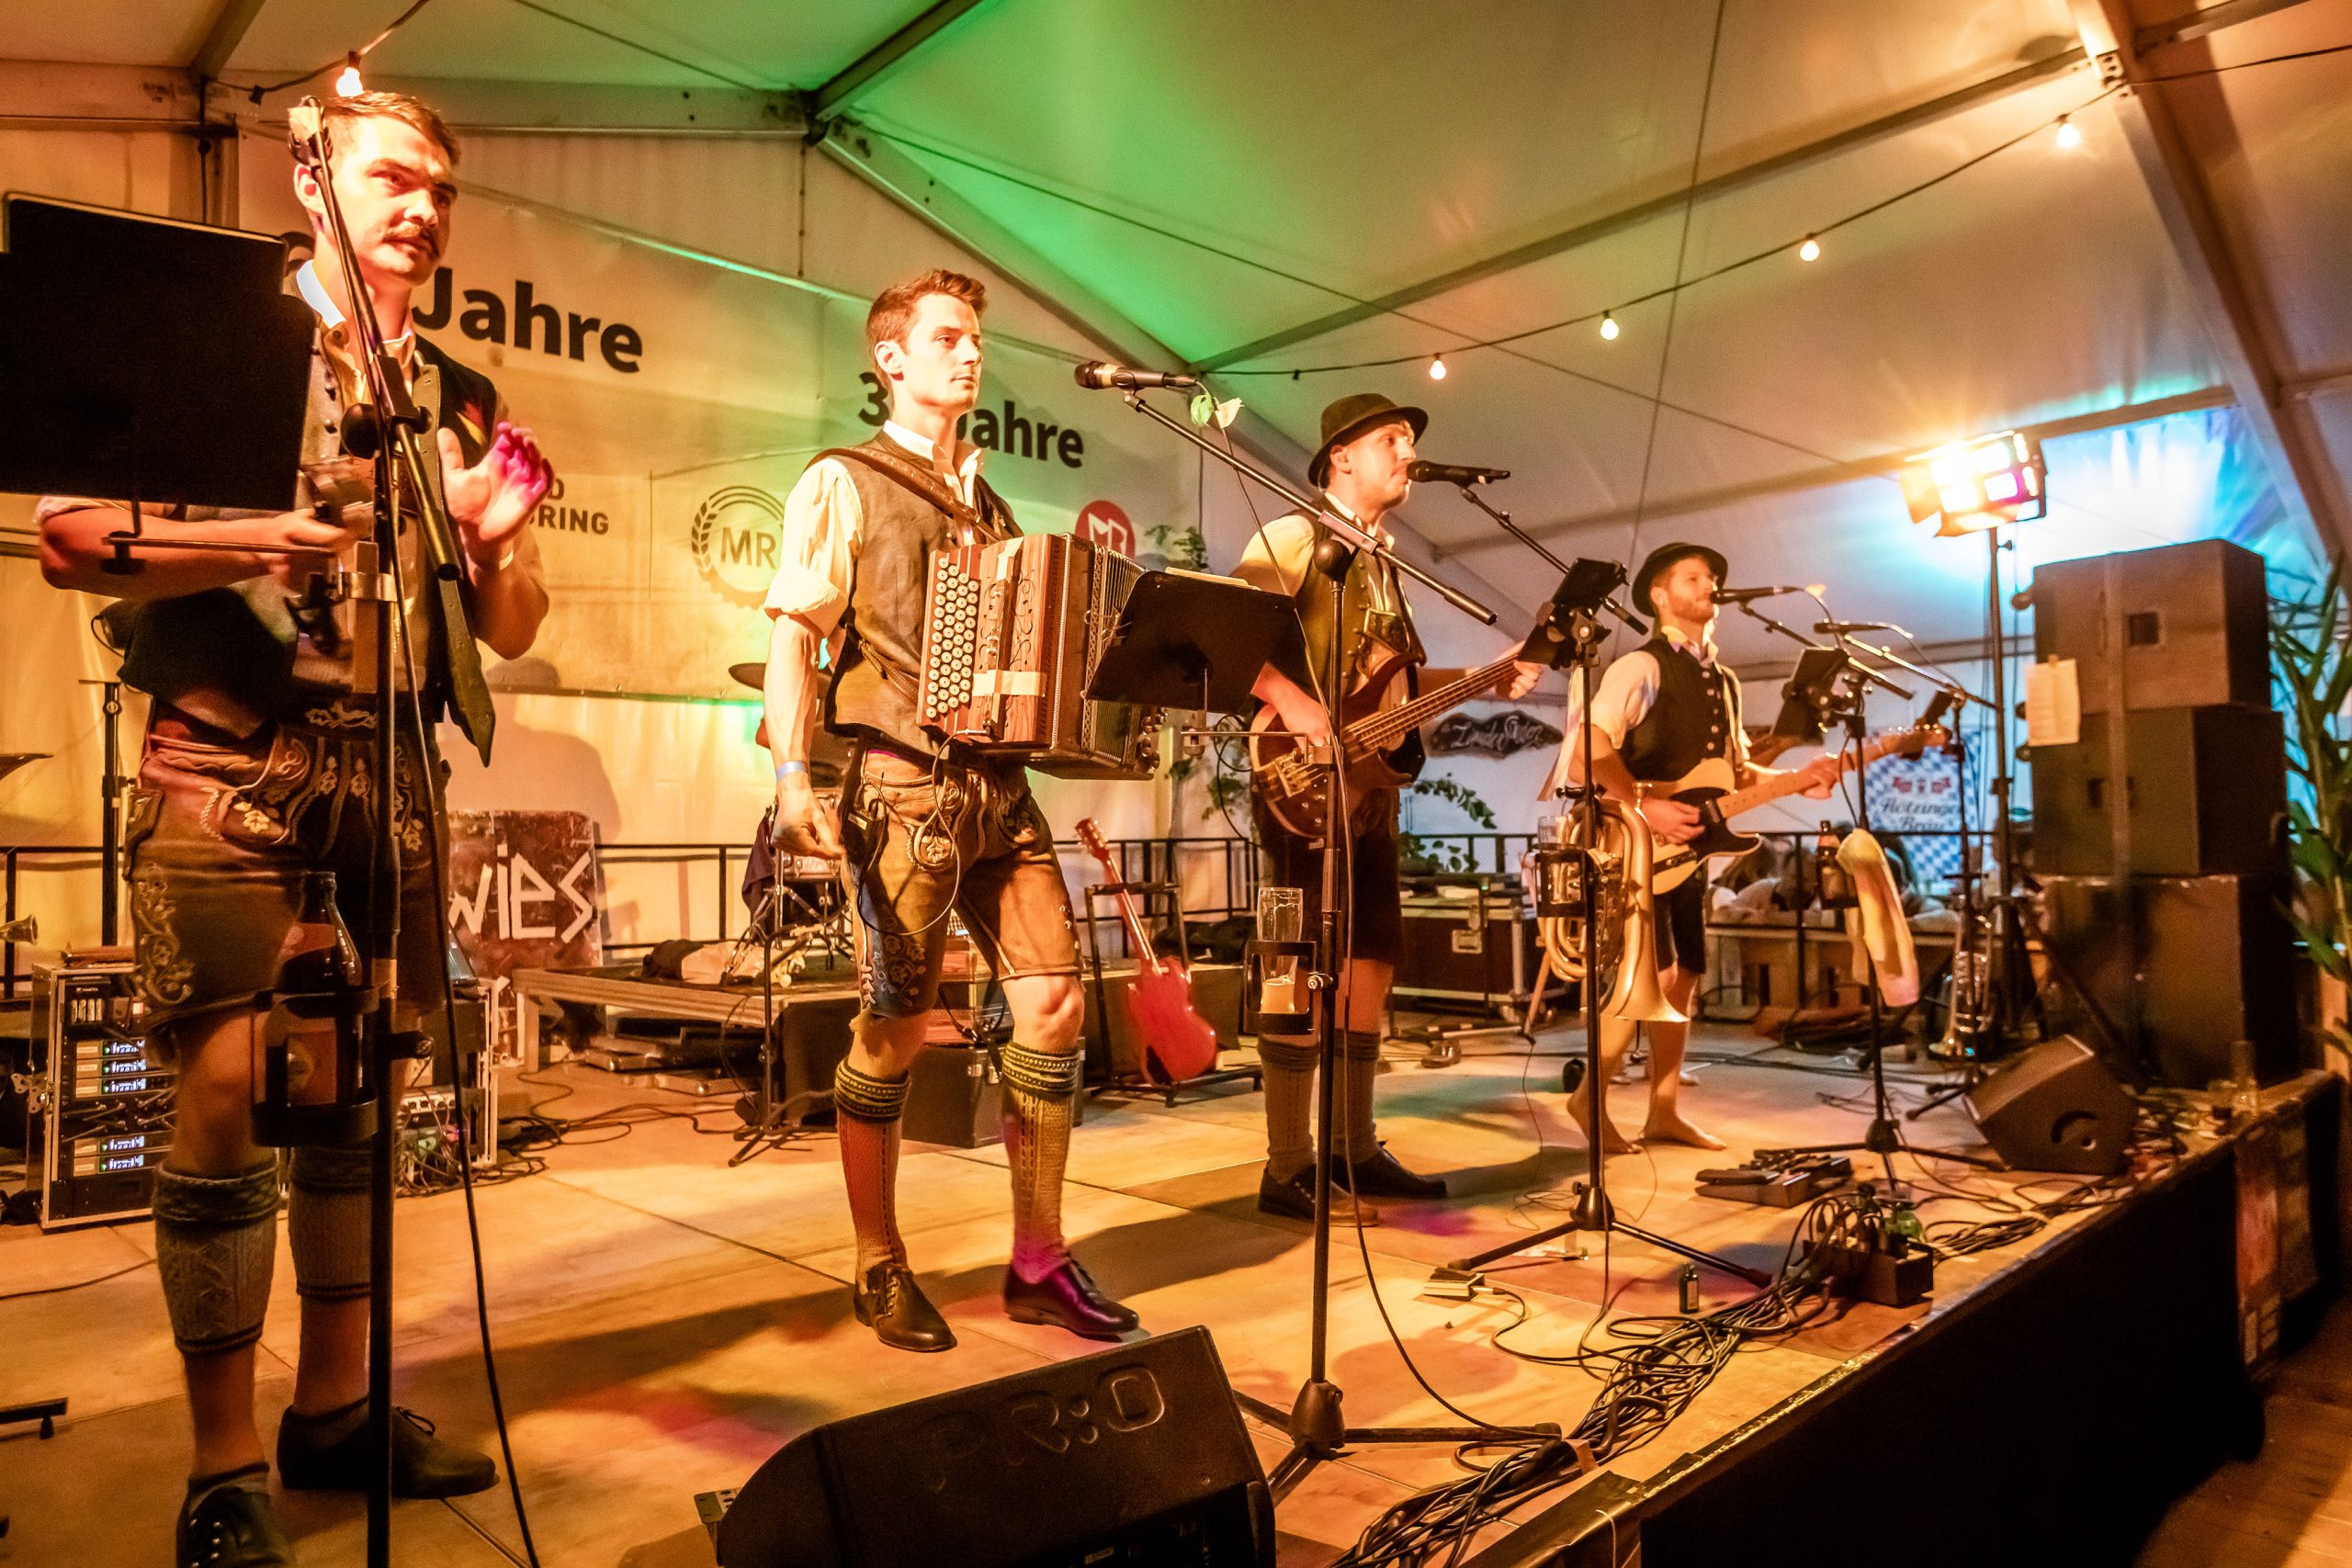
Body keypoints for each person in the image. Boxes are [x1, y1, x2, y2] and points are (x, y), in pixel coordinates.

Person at [37, 93, 552, 1568]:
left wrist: (488, 543)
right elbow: (71, 534)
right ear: (313, 174)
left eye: (442, 188)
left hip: (388, 780)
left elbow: (512, 625)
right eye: (395, 175)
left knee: (361, 1103)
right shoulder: (228, 332)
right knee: (223, 1100)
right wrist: (270, 535)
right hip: (227, 764)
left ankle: (336, 1410)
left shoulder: (459, 392)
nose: (424, 209)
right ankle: (220, 1464)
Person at [761, 268, 1137, 1354]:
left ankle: (1038, 1260)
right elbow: (793, 635)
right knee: (892, 1031)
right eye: (947, 337)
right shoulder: (842, 479)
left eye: (976, 338)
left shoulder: (993, 507)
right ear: (891, 358)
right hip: (903, 786)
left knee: (1054, 1005)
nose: (970, 353)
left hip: (1002, 789)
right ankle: (878, 1262)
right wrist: (790, 778)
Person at [1235, 393, 1544, 1223]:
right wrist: (1291, 700)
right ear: (1340, 456)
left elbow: (1390, 692)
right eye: (1391, 439)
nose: (1408, 453)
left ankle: (1353, 1148)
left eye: (1409, 441)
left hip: (1368, 790)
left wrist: (1488, 678)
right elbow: (1222, 638)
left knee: (1370, 959)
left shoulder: (1384, 563)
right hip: (1297, 785)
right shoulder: (1294, 538)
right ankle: (1287, 1165)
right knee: (1295, 968)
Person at [1551, 543, 1838, 1151]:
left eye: (1711, 576)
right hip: (1636, 848)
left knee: (1684, 977)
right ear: (1659, 595)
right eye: (1693, 576)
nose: (1709, 583)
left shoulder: (1725, 681)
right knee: (1647, 976)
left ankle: (1663, 1111)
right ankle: (1589, 1098)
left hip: (1689, 853)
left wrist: (1797, 780)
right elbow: (1585, 751)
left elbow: (1735, 771)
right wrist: (1643, 803)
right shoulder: (1640, 667)